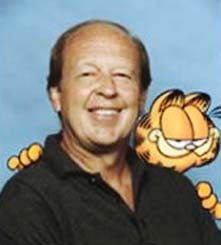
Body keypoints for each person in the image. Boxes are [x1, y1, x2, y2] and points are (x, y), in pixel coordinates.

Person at [0, 19, 220, 245]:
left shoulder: (177, 189)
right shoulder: (27, 201)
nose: (108, 89)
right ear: (56, 95)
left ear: (142, 97)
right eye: (87, 74)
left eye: (123, 75)